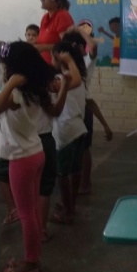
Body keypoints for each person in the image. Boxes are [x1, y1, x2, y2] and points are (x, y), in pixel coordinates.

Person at [0, 41, 57, 272]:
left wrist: (9, 84)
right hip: (35, 152)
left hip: (22, 159)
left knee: (26, 214)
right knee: (32, 212)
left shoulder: (16, 93)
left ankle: (31, 264)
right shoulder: (36, 88)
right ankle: (32, 258)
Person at [68, 22, 113, 194]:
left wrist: (79, 30)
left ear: (81, 47)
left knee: (84, 148)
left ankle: (85, 183)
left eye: (74, 46)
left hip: (83, 108)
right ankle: (73, 182)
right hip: (71, 109)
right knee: (72, 148)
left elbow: (93, 46)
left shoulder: (87, 60)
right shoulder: (65, 64)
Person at [50, 39, 87, 224]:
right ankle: (70, 204)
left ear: (59, 58)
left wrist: (69, 61)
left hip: (65, 129)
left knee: (62, 173)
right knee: (75, 169)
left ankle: (68, 210)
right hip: (78, 128)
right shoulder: (79, 76)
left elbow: (73, 80)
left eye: (52, 57)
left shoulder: (62, 78)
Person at [36, 0, 75, 64]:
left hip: (58, 65)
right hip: (45, 64)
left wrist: (44, 47)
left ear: (58, 1)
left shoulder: (62, 16)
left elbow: (67, 45)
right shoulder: (45, 17)